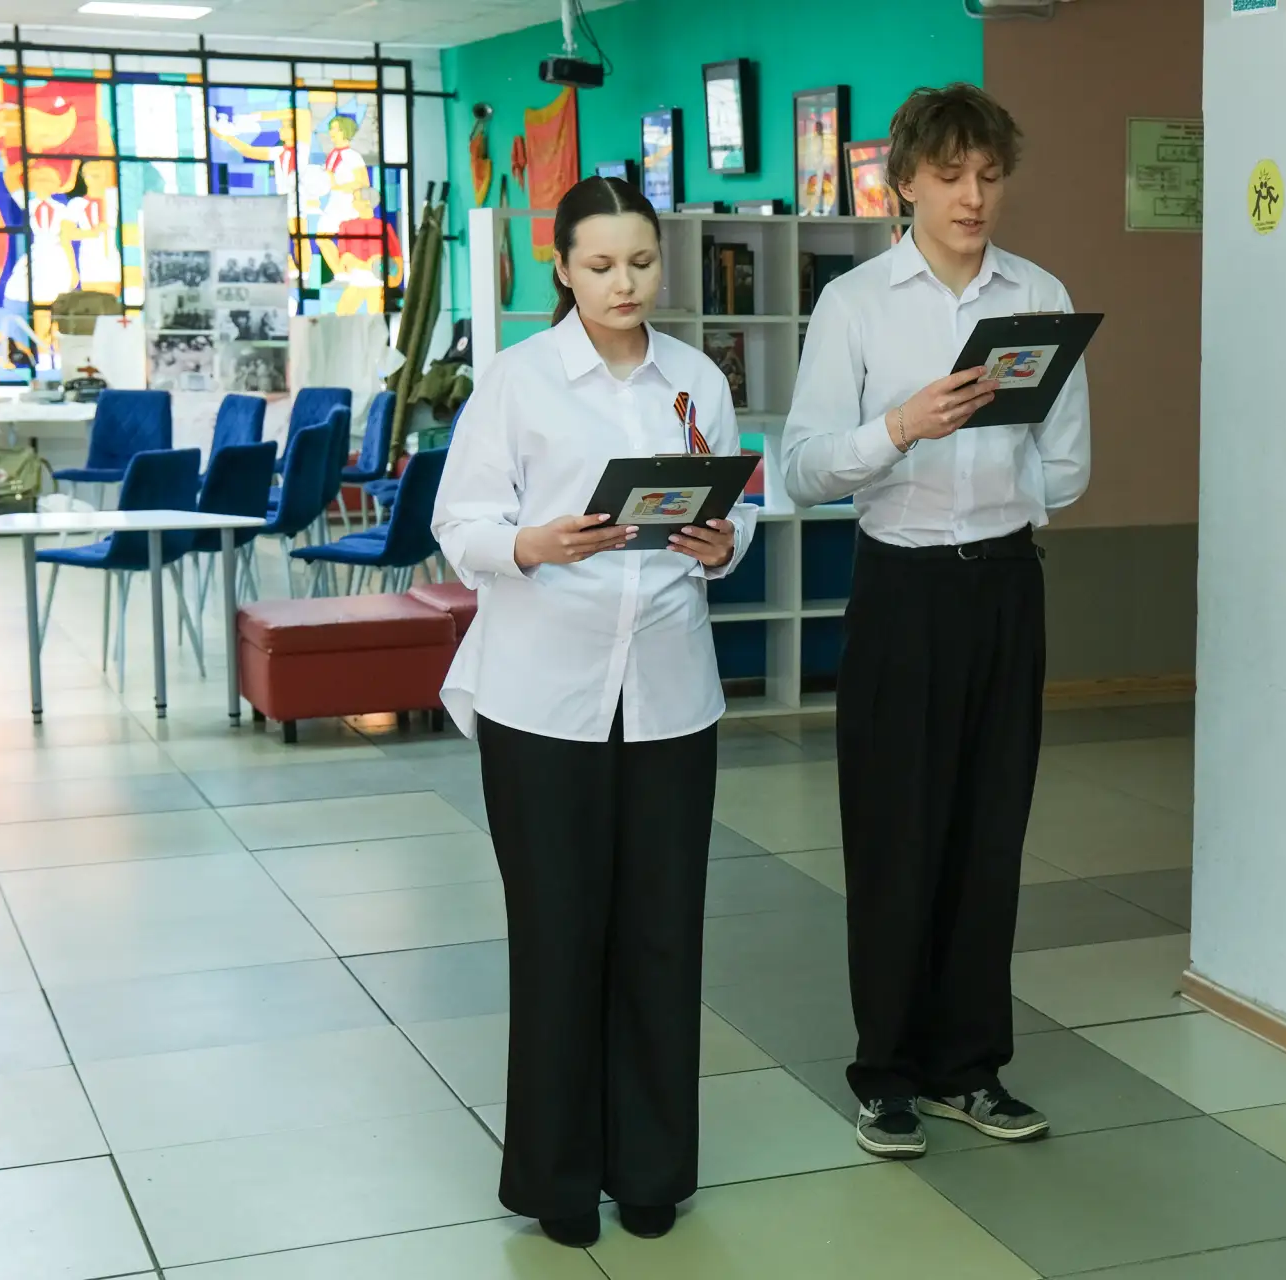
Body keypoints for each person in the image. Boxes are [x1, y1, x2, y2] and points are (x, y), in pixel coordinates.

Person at [431, 174, 757, 1247]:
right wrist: (531, 543)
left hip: (670, 695)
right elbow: (460, 523)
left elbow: (737, 510)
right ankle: (559, 1178)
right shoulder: (519, 380)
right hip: (542, 700)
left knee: (663, 934)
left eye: (643, 262)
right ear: (564, 269)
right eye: (603, 264)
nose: (626, 283)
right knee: (559, 936)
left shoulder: (697, 379)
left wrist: (724, 541)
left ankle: (653, 1165)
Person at [783, 82, 1091, 1159]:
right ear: (904, 181)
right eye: (951, 176)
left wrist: (1005, 485)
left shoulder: (1040, 295)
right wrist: (901, 428)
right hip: (901, 591)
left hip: (1005, 585)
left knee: (989, 832)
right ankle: (886, 1073)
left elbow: (1068, 464)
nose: (973, 197)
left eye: (990, 176)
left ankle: (971, 1067)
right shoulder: (856, 304)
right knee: (894, 836)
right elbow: (802, 468)